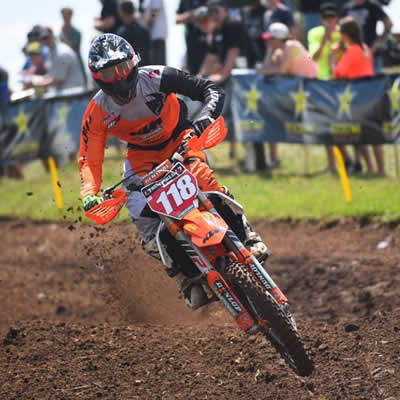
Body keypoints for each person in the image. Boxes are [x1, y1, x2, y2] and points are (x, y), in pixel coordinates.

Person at [78, 34, 269, 309]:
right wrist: (89, 193)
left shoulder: (156, 77)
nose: (119, 78)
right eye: (110, 72)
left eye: (121, 68)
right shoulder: (97, 109)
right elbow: (88, 157)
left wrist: (205, 117)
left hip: (179, 137)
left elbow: (210, 90)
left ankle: (248, 235)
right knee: (142, 217)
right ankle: (185, 279)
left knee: (203, 178)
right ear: (98, 76)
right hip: (142, 158)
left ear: (133, 62)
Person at [257, 23, 318, 168]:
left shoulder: (292, 46)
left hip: (311, 92)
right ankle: (273, 158)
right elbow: (269, 66)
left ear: (279, 38)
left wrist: (263, 70)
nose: (269, 42)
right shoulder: (281, 50)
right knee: (271, 117)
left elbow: (281, 70)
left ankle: (337, 164)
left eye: (271, 39)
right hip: (298, 92)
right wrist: (270, 53)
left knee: (318, 127)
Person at [333, 16, 385, 176]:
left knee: (359, 135)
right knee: (374, 135)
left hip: (356, 97)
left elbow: (338, 74)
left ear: (345, 34)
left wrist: (335, 56)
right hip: (370, 94)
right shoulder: (365, 48)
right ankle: (381, 170)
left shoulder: (352, 50)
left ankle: (370, 167)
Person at [198, 0, 247, 161]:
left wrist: (222, 75)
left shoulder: (233, 25)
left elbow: (233, 52)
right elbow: (211, 56)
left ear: (225, 11)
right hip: (231, 80)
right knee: (228, 116)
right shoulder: (217, 30)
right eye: (210, 12)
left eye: (216, 11)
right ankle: (236, 155)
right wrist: (198, 77)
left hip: (245, 80)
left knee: (245, 118)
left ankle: (252, 159)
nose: (213, 15)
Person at [308, 2, 342, 172]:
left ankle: (352, 161)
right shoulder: (315, 33)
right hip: (322, 84)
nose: (330, 21)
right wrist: (325, 40)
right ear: (321, 19)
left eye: (333, 17)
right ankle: (332, 164)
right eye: (326, 17)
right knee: (327, 126)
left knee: (346, 126)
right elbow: (314, 57)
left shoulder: (344, 33)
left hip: (342, 84)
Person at [341, 0, 393, 73]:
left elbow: (388, 23)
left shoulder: (372, 5)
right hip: (354, 54)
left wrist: (378, 43)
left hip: (372, 52)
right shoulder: (347, 8)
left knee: (374, 81)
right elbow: (341, 28)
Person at [31, 27, 85, 91]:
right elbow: (52, 75)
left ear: (53, 36)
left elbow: (57, 82)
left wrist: (37, 83)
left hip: (74, 94)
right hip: (67, 94)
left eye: (47, 37)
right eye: (43, 38)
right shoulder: (52, 51)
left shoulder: (62, 52)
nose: (46, 40)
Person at [176, 0, 209, 75]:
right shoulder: (186, 2)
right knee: (194, 73)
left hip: (210, 43)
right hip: (192, 43)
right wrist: (192, 14)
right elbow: (177, 19)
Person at [117, 1, 151, 66]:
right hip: (145, 71)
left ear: (122, 12)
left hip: (131, 72)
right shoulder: (145, 31)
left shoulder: (121, 33)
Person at [60, 7, 87, 86]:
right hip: (66, 67)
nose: (65, 18)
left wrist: (64, 34)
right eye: (63, 16)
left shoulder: (76, 32)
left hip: (77, 64)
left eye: (66, 16)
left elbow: (73, 48)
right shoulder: (61, 33)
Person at [142, 0, 168, 65]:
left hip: (157, 37)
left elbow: (153, 14)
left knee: (158, 66)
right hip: (152, 37)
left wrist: (144, 26)